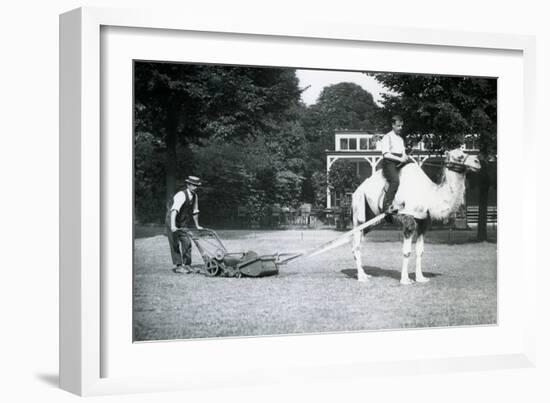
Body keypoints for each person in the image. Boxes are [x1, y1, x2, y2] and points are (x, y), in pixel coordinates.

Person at [166, 175, 203, 274]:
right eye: (193, 185)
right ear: (188, 185)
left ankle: (187, 265)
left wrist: (197, 225)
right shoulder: (181, 195)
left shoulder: (195, 196)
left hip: (182, 222)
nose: (195, 187)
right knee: (175, 243)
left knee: (187, 242)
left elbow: (195, 212)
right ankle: (178, 266)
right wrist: (173, 226)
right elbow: (174, 211)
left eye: (197, 185)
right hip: (172, 220)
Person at [380, 115, 412, 214]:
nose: (400, 128)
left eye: (401, 126)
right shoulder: (387, 137)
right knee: (395, 181)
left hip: (399, 162)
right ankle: (387, 206)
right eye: (398, 126)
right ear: (393, 125)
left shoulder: (400, 139)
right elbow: (386, 154)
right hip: (389, 163)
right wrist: (400, 159)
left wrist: (405, 157)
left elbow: (403, 152)